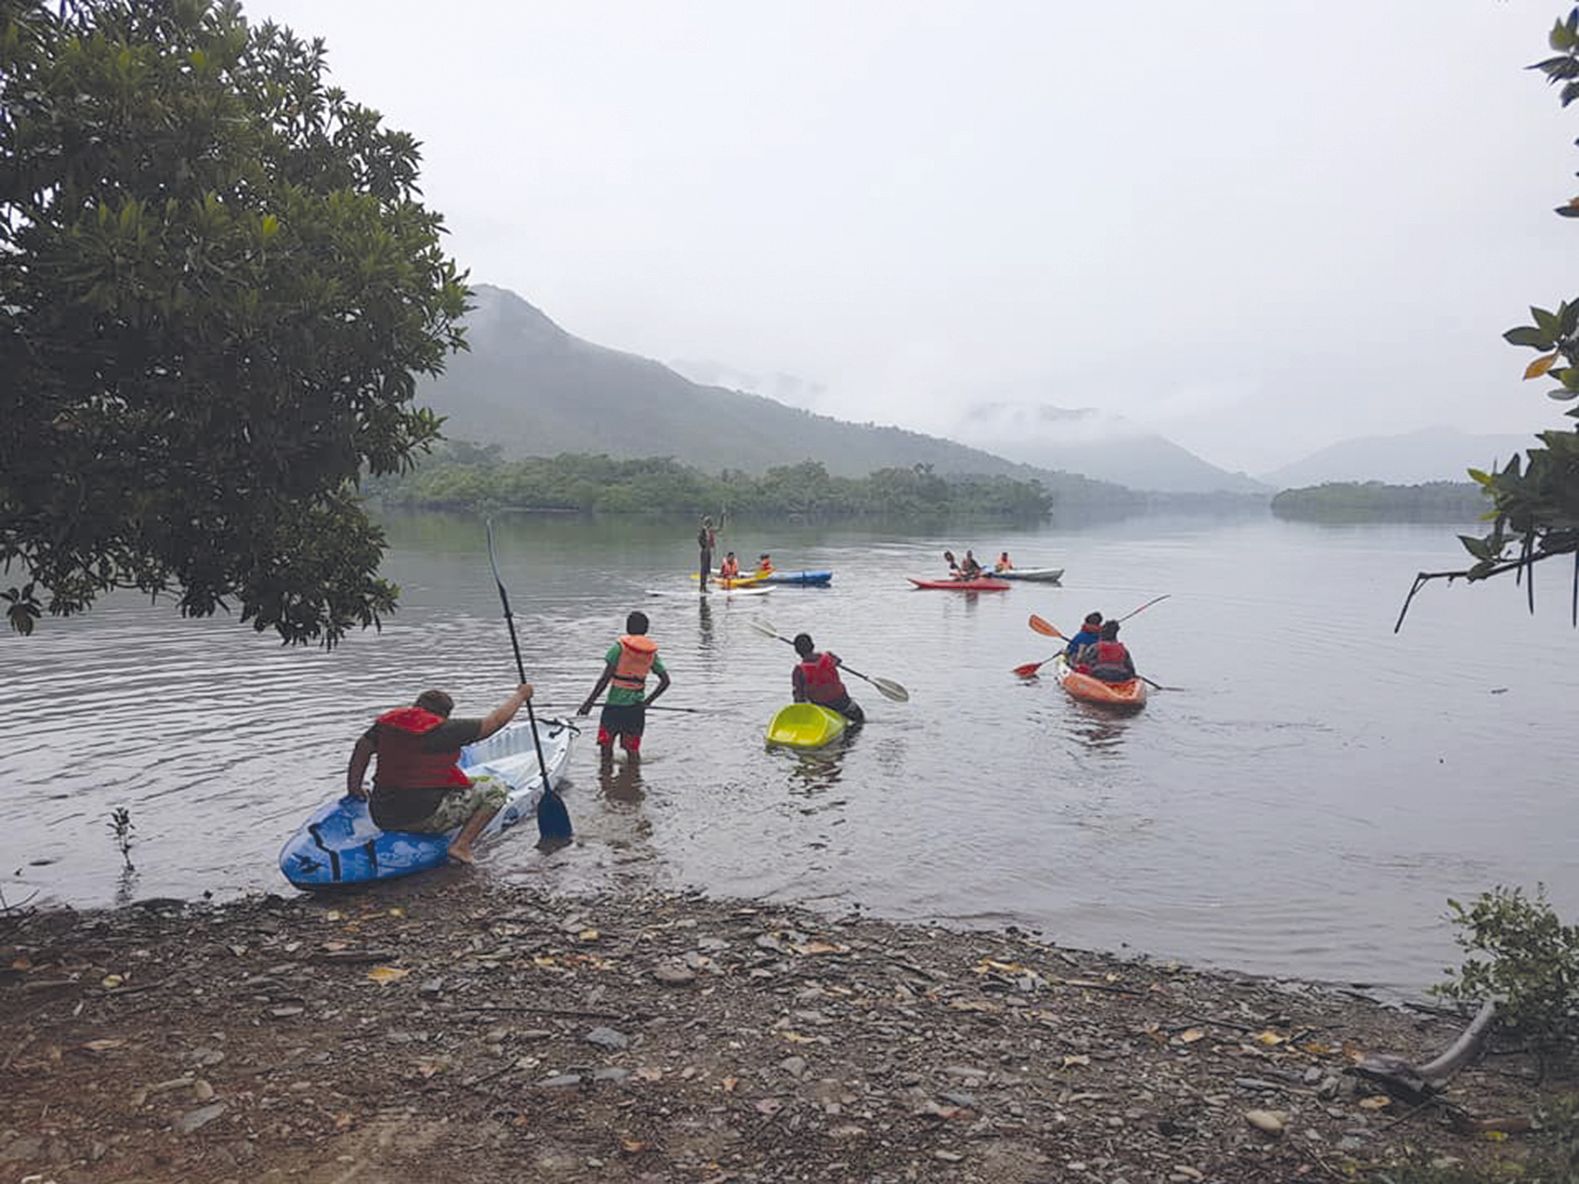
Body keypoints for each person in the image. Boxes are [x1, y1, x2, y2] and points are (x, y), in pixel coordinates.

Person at [346, 683, 534, 864]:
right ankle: (461, 846)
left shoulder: (387, 725)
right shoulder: (445, 730)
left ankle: (453, 839)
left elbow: (361, 748)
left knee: (466, 782)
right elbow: (495, 722)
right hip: (422, 817)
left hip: (382, 815)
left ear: (416, 706)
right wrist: (520, 696)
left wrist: (355, 788)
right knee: (495, 788)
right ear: (444, 715)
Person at [579, 610, 671, 753]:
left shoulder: (618, 648)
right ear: (646, 630)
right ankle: (633, 775)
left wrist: (589, 702)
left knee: (606, 749)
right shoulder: (651, 654)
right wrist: (647, 702)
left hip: (614, 708)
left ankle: (605, 775)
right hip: (636, 710)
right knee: (632, 752)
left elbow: (604, 679)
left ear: (627, 628)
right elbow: (665, 681)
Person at [790, 632, 864, 724]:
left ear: (797, 651)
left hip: (822, 708)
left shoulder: (799, 670)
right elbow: (838, 661)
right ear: (813, 645)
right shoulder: (828, 656)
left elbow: (799, 698)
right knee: (860, 718)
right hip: (843, 703)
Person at [697, 516, 717, 590]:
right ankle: (702, 587)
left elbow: (720, 529)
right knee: (703, 569)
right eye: (709, 522)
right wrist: (704, 546)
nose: (710, 524)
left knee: (706, 570)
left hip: (708, 551)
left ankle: (704, 587)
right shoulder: (703, 530)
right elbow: (699, 539)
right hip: (704, 551)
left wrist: (722, 517)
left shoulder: (710, 530)